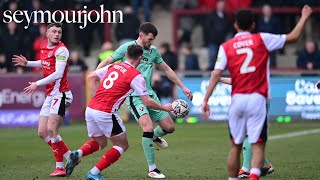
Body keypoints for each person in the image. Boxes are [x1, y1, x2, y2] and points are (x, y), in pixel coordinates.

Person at [201, 5, 312, 180]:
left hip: (237, 100)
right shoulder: (262, 39)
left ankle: (236, 176)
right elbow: (293, 37)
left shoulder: (226, 46)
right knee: (258, 146)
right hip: (257, 99)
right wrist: (304, 17)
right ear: (253, 25)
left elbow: (216, 73)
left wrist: (205, 99)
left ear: (235, 25)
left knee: (235, 146)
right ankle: (253, 173)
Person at [97, 22, 193, 179]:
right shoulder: (127, 48)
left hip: (150, 95)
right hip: (134, 97)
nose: (152, 42)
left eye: (153, 39)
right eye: (149, 39)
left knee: (169, 127)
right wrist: (97, 76)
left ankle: (154, 137)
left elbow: (167, 69)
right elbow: (107, 62)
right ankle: (152, 169)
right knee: (147, 127)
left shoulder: (153, 51)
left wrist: (183, 87)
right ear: (141, 35)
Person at [65, 44, 174, 180]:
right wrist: (165, 108)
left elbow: (91, 77)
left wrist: (97, 94)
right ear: (140, 58)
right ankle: (93, 173)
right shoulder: (136, 75)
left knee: (101, 142)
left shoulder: (113, 66)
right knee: (122, 145)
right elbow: (147, 102)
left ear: (126, 55)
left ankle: (77, 154)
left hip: (91, 109)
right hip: (106, 112)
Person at [12, 23, 73, 177]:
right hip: (51, 94)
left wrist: (36, 84)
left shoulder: (62, 50)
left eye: (59, 32)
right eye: (54, 31)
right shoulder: (45, 47)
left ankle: (60, 167)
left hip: (61, 94)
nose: (57, 34)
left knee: (52, 129)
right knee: (42, 132)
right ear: (47, 34)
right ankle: (70, 156)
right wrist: (28, 64)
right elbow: (44, 63)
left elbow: (58, 73)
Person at [219, 77, 274, 178]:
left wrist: (219, 78)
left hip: (258, 101)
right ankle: (265, 165)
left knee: (247, 134)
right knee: (245, 134)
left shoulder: (255, 65)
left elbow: (239, 80)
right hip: (250, 101)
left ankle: (246, 168)